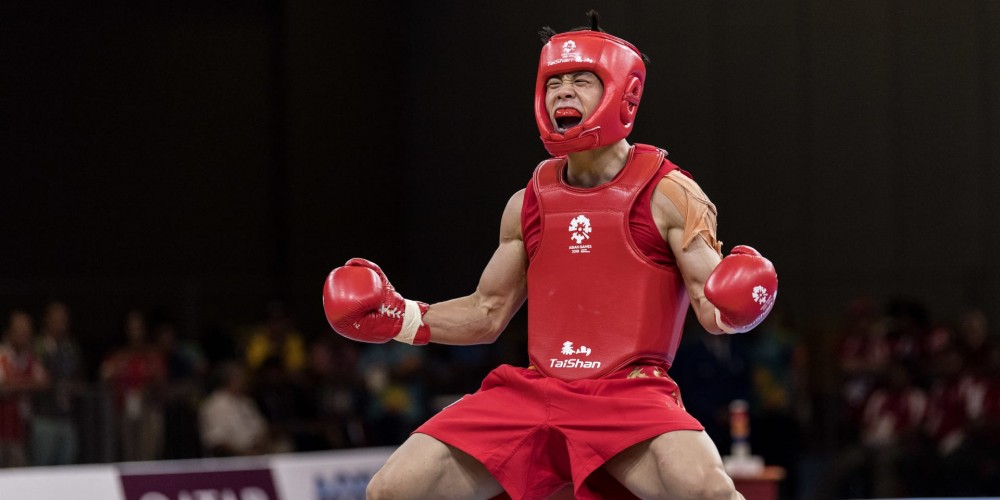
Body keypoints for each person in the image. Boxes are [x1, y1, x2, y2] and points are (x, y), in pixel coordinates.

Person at [323, 12, 778, 499]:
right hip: (535, 391)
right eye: (554, 83)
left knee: (710, 492)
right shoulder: (529, 201)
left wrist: (740, 305)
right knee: (392, 490)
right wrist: (401, 318)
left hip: (628, 394)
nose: (563, 93)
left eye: (581, 81)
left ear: (623, 94)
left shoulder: (670, 193)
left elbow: (712, 307)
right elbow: (487, 312)